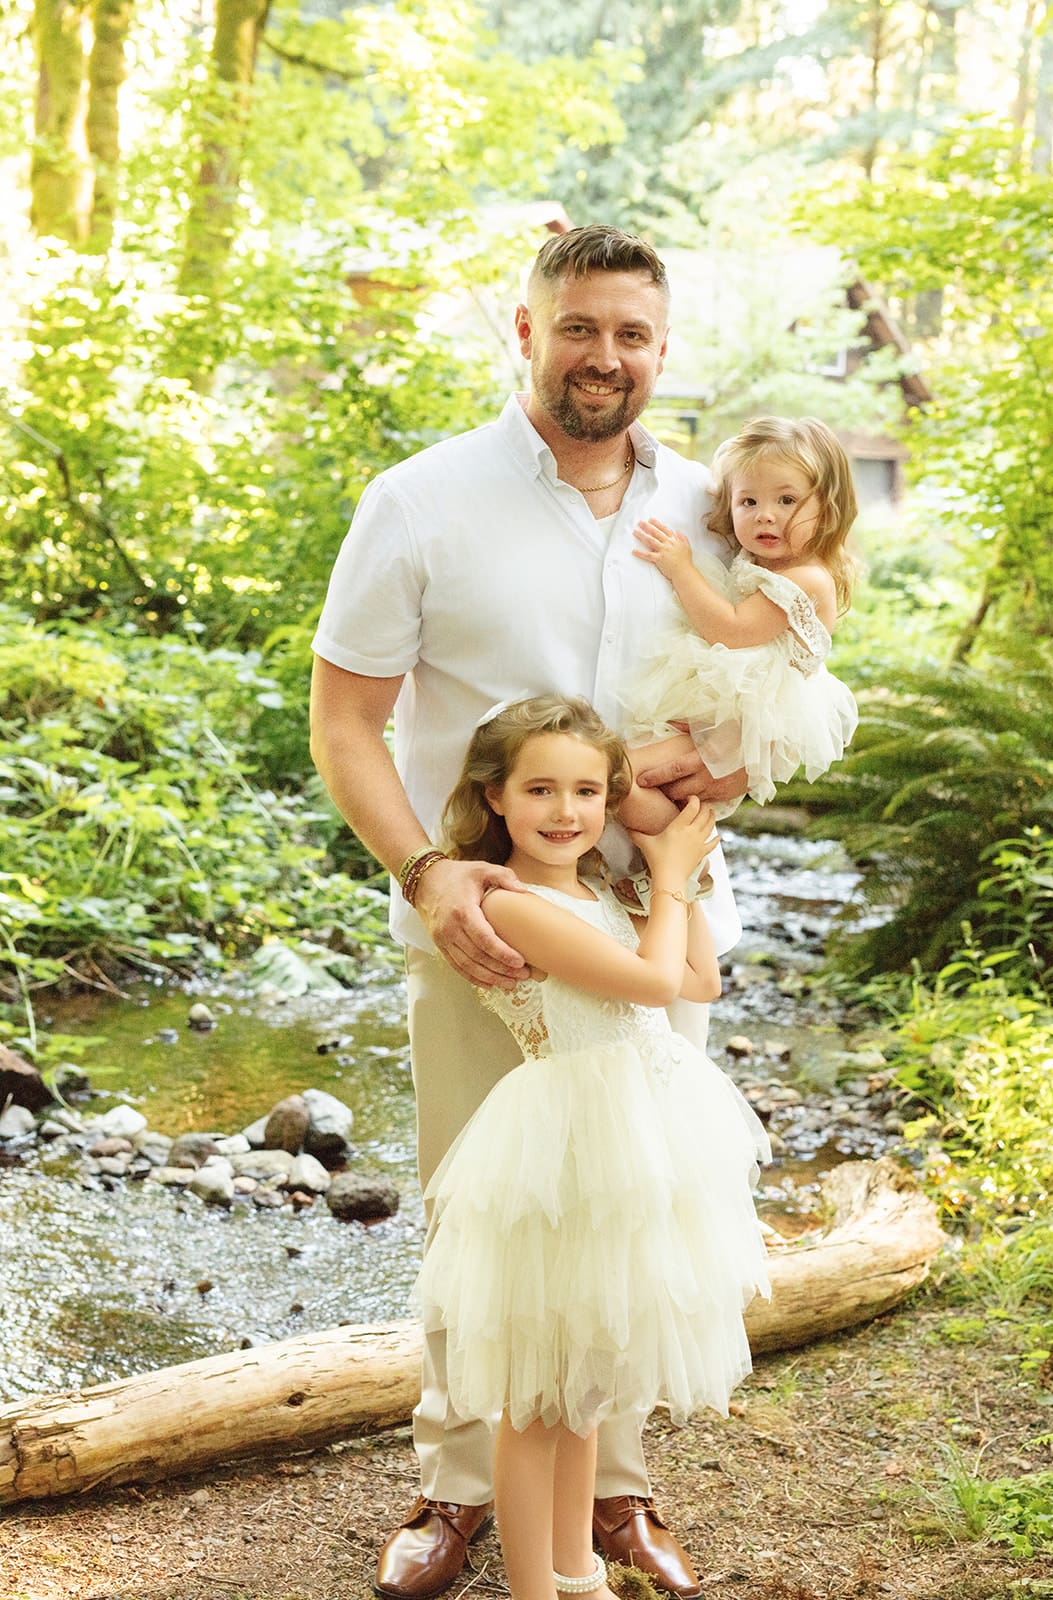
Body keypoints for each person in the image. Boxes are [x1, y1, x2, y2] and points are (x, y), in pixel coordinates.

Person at [309, 223, 749, 1600]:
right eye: (577, 328)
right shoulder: (420, 500)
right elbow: (344, 720)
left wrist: (718, 769)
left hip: (655, 928)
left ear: (661, 351)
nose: (602, 357)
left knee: (631, 1209)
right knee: (481, 1215)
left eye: (629, 334)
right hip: (481, 924)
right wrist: (427, 872)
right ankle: (456, 1489)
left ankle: (610, 1494)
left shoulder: (716, 520)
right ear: (523, 332)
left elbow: (750, 704)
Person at [418, 695, 770, 1600]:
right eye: (540, 789)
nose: (565, 812)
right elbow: (656, 981)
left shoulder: (600, 892)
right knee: (538, 1397)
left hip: (637, 1134)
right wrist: (674, 873)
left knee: (587, 1385)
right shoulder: (509, 898)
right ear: (494, 797)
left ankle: (579, 1575)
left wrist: (665, 874)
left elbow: (699, 978)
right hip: (567, 1145)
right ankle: (535, 1590)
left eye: (585, 790)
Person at [617, 416, 859, 866]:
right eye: (748, 500)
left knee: (617, 773)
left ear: (827, 508)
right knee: (632, 779)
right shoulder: (771, 563)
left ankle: (680, 865)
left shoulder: (805, 578)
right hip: (719, 713)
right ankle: (665, 864)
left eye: (787, 500)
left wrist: (680, 567)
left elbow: (729, 629)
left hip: (737, 719)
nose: (765, 514)